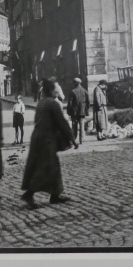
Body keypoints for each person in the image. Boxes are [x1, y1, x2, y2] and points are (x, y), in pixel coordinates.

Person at [21, 78, 79, 209]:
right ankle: (29, 194)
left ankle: (55, 195)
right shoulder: (53, 104)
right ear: (51, 91)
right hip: (46, 139)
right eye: (56, 89)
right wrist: (72, 139)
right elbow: (62, 123)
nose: (58, 91)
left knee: (50, 166)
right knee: (46, 167)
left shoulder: (42, 102)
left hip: (38, 137)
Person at [67, 77, 90, 145]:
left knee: (74, 126)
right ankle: (81, 140)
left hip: (74, 112)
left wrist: (69, 111)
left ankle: (73, 139)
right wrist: (85, 109)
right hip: (82, 112)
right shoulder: (85, 91)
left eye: (74, 83)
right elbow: (88, 102)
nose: (73, 84)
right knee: (82, 125)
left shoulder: (72, 91)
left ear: (76, 83)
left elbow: (70, 103)